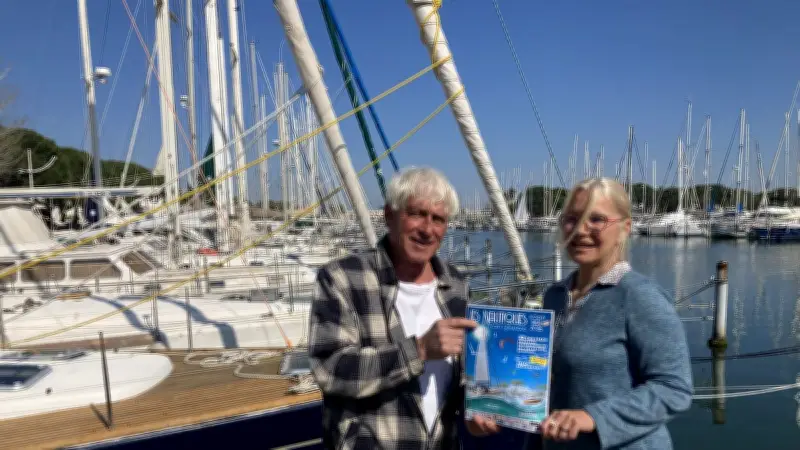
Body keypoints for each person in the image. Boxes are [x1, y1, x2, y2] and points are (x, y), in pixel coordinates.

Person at [308, 167, 498, 450]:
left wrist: (475, 408)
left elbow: (460, 375)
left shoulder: (456, 286)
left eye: (438, 219)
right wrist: (419, 350)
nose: (427, 229)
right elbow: (330, 370)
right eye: (417, 214)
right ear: (389, 215)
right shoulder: (342, 278)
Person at [532, 177, 693, 449]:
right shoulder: (555, 296)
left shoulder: (639, 297)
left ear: (624, 228)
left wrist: (592, 416)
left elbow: (674, 389)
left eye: (596, 220)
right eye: (572, 219)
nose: (581, 230)